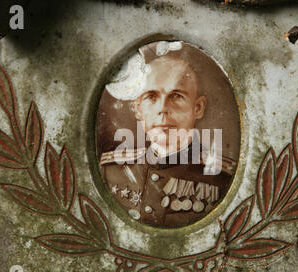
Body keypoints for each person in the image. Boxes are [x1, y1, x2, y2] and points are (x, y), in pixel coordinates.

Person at [100, 54, 236, 228]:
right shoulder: (111, 170)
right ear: (138, 109)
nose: (163, 109)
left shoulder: (221, 178)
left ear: (198, 108)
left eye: (176, 96)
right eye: (151, 97)